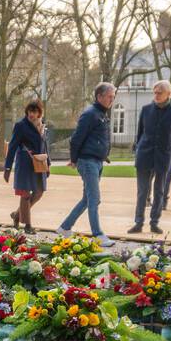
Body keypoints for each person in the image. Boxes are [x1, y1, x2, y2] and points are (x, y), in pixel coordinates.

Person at [58, 82, 116, 247]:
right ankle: (97, 234)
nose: (112, 99)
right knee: (94, 199)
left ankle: (65, 227)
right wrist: (74, 159)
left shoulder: (101, 113)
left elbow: (99, 139)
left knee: (87, 199)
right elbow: (76, 138)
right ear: (100, 96)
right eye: (110, 96)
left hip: (96, 162)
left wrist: (104, 155)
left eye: (113, 96)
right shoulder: (90, 114)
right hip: (87, 161)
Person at [129, 80, 171, 234]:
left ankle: (154, 222)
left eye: (160, 92)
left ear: (169, 94)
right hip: (144, 155)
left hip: (162, 156)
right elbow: (140, 133)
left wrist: (165, 148)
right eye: (155, 92)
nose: (156, 95)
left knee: (159, 191)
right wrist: (139, 149)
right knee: (142, 191)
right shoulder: (146, 109)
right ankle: (138, 222)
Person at [3, 99, 48, 233]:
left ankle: (17, 215)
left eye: (34, 111)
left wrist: (48, 164)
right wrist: (7, 168)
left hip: (39, 164)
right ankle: (27, 226)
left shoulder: (42, 126)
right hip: (25, 164)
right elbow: (12, 147)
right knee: (25, 195)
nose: (31, 114)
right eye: (29, 111)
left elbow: (44, 147)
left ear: (39, 113)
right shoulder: (20, 125)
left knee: (39, 193)